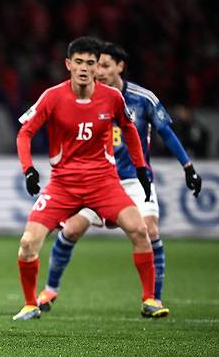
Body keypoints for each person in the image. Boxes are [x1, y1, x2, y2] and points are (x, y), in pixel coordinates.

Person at [37, 42, 203, 314]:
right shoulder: (84, 97)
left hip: (133, 181)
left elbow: (167, 133)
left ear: (120, 67)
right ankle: (50, 290)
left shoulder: (142, 98)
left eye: (104, 65)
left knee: (148, 231)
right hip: (96, 180)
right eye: (95, 65)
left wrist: (188, 167)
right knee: (71, 230)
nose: (97, 71)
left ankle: (153, 299)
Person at [13, 36, 168, 321]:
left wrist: (141, 168)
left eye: (91, 63)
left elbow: (130, 130)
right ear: (68, 64)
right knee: (27, 243)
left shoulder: (111, 98)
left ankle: (150, 299)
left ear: (98, 67)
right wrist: (28, 168)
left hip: (104, 183)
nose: (85, 68)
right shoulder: (52, 97)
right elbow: (25, 132)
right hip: (63, 185)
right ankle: (30, 304)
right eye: (80, 62)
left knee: (140, 231)